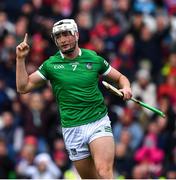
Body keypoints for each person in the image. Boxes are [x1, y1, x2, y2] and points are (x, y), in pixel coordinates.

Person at [16, 19, 132, 179]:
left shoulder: (93, 58)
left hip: (97, 122)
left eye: (66, 34)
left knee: (104, 172)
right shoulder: (51, 65)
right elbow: (23, 87)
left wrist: (126, 88)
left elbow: (120, 78)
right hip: (72, 128)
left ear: (76, 35)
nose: (63, 40)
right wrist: (21, 59)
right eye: (58, 36)